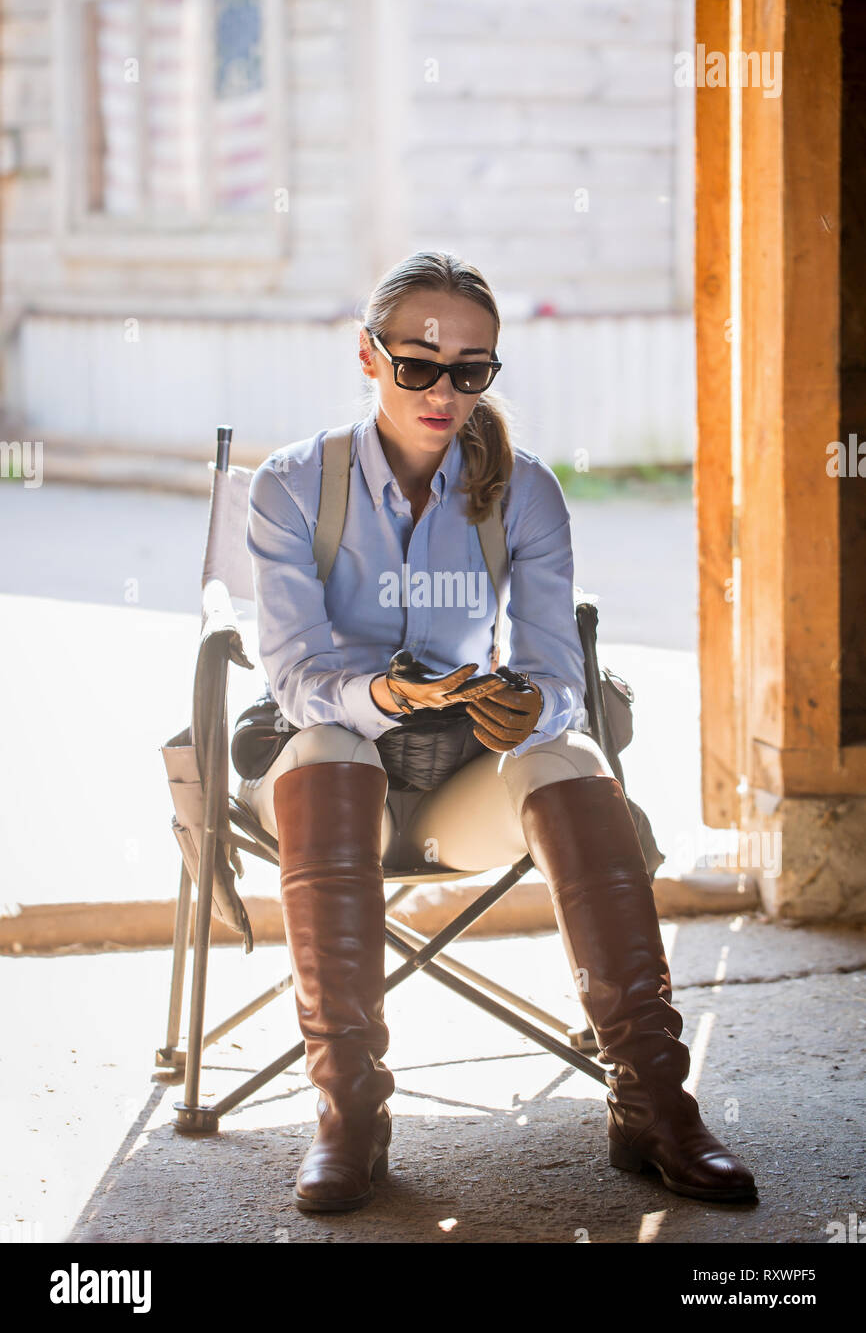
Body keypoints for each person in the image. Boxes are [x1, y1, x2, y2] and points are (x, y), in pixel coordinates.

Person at [242, 250, 757, 1214]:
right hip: (321, 780)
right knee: (328, 744)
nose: (446, 391)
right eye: (420, 365)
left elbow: (560, 668)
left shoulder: (526, 491)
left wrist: (536, 704)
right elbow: (298, 678)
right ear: (368, 358)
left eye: (471, 370)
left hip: (451, 795)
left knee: (570, 749)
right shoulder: (293, 484)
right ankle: (350, 1111)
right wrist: (386, 697)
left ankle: (653, 1100)